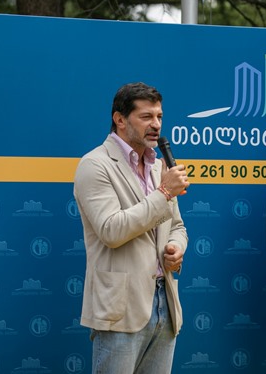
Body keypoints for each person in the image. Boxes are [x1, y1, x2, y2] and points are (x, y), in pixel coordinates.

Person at [73, 81, 190, 374]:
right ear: (120, 119)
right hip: (120, 310)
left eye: (159, 116)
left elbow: (177, 225)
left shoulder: (158, 167)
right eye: (146, 116)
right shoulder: (95, 164)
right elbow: (111, 230)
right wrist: (164, 192)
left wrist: (176, 248)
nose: (156, 124)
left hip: (166, 303)